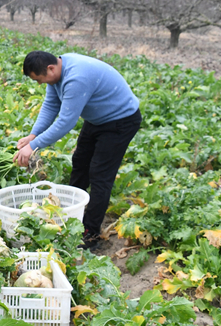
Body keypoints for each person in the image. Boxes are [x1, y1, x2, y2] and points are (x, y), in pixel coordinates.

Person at [13, 50, 141, 250]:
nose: (40, 84)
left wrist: (33, 147)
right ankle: (73, 217)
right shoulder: (57, 71)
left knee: (100, 174)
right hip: (97, 119)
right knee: (80, 163)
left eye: (40, 80)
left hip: (120, 121)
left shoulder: (76, 78)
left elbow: (65, 122)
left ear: (50, 68)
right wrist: (33, 135)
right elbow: (50, 105)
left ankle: (90, 233)